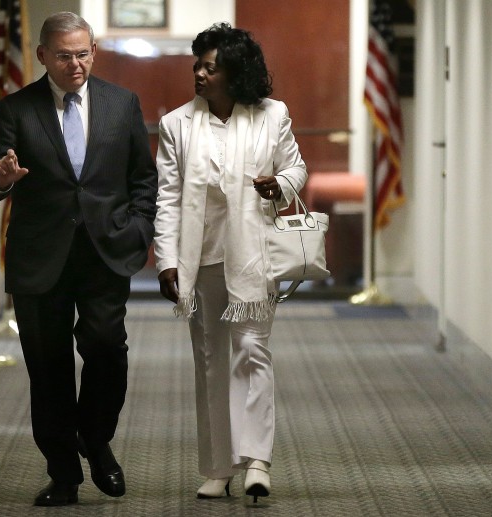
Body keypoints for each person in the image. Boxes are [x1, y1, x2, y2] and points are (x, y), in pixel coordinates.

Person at [0, 12, 157, 507]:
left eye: (83, 53)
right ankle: (63, 474)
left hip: (105, 252)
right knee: (48, 367)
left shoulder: (122, 104)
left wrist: (139, 229)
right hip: (40, 257)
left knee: (106, 349)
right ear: (41, 56)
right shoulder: (17, 107)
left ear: (93, 51)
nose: (76, 64)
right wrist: (2, 178)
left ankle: (95, 440)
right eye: (64, 55)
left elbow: (143, 178)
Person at [153, 23, 307, 502]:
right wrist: (166, 260)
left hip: (253, 256)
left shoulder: (271, 115)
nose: (199, 73)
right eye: (196, 65)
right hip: (201, 260)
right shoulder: (177, 124)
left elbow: (297, 168)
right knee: (211, 363)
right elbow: (169, 198)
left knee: (252, 353)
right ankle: (218, 466)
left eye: (209, 67)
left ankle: (257, 460)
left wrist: (278, 185)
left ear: (235, 73)